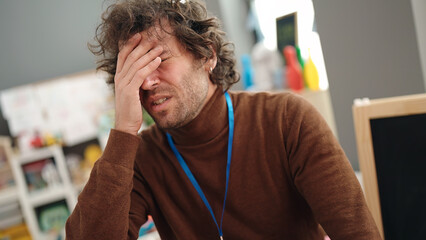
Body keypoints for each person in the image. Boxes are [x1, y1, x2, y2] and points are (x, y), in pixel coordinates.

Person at [65, 0, 382, 239]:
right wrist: (123, 131)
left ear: (207, 55)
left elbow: (356, 233)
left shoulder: (287, 120)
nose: (146, 82)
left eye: (159, 59)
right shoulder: (140, 158)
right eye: (134, 69)